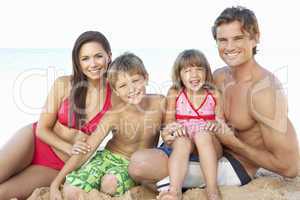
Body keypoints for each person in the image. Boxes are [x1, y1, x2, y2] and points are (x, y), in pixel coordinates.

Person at [128, 5, 299, 199]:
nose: (230, 47)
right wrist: (169, 131)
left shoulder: (265, 92)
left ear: (255, 37)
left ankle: (180, 185)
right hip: (201, 150)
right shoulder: (218, 77)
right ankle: (173, 182)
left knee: (141, 165)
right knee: (138, 162)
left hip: (235, 165)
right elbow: (188, 106)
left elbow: (291, 167)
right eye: (223, 40)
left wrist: (235, 143)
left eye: (238, 38)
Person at [0, 31, 116, 199]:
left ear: (109, 56)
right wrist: (69, 148)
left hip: (58, 165)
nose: (93, 64)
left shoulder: (115, 98)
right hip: (33, 142)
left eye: (98, 56)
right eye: (85, 58)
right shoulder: (64, 84)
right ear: (78, 61)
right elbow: (42, 129)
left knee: (2, 193)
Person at [49, 52, 165, 200]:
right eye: (123, 85)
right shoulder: (114, 114)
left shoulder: (160, 103)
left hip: (132, 164)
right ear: (116, 90)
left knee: (110, 184)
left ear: (146, 78)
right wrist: (56, 182)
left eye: (135, 81)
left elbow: (170, 133)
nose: (131, 89)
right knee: (71, 190)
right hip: (107, 157)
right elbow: (88, 148)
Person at [156, 49, 223, 200]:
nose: (194, 75)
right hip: (185, 141)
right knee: (181, 141)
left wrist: (215, 123)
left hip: (208, 143)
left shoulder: (214, 94)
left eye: (199, 69)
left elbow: (221, 121)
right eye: (187, 70)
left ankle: (212, 190)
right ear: (179, 75)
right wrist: (174, 127)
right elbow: (168, 122)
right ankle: (175, 190)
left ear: (206, 72)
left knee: (202, 135)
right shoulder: (175, 92)